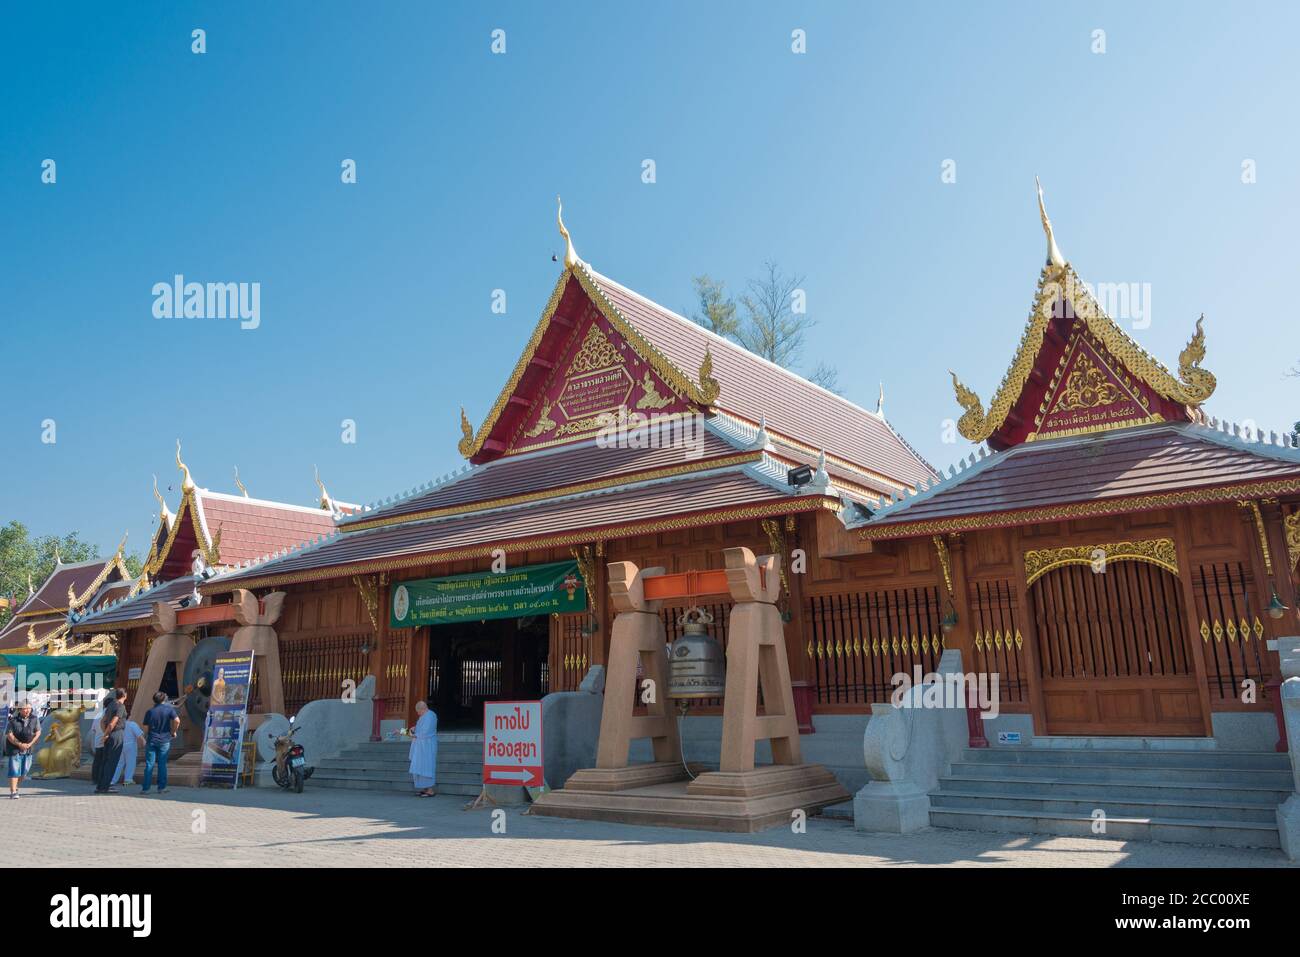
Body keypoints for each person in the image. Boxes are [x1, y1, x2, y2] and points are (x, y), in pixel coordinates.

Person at [141, 691, 180, 794]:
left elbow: (145, 727)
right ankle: (161, 788)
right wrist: (173, 731)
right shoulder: (169, 710)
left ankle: (146, 789)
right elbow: (177, 720)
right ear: (164, 699)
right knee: (162, 764)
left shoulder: (149, 711)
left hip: (152, 740)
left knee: (149, 764)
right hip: (165, 740)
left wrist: (146, 736)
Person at [5, 696, 42, 799]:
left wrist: (30, 744)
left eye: (29, 708)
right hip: (15, 749)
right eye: (25, 708)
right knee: (14, 770)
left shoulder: (34, 719)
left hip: (28, 749)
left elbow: (38, 732)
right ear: (20, 709)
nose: (27, 710)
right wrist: (19, 744)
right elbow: (9, 734)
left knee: (24, 772)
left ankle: (16, 786)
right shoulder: (13, 720)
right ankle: (13, 792)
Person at [94, 688, 128, 794]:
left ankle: (100, 786)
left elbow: (102, 721)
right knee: (112, 762)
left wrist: (105, 734)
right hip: (117, 734)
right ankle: (105, 786)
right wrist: (107, 733)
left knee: (105, 761)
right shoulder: (120, 706)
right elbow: (113, 722)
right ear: (125, 696)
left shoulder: (110, 705)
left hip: (109, 735)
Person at [408, 700, 438, 797]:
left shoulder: (430, 716)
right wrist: (406, 730)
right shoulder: (423, 717)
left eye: (418, 711)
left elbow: (424, 733)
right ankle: (425, 788)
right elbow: (417, 730)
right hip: (420, 746)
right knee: (420, 766)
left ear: (422, 709)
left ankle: (430, 790)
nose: (418, 714)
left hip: (427, 746)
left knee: (426, 766)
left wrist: (409, 733)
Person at [112, 718, 145, 788]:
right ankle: (128, 779)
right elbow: (139, 736)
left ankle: (113, 780)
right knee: (130, 763)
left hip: (120, 745)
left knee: (119, 763)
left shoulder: (119, 724)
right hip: (130, 745)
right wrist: (144, 743)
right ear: (129, 716)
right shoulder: (132, 724)